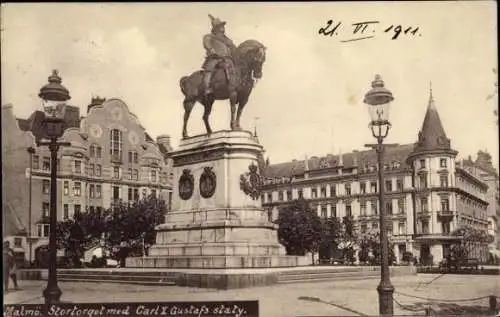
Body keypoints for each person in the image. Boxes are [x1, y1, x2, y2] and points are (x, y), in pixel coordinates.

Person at [201, 14, 237, 96]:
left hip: (228, 59)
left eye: (223, 26)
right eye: (220, 26)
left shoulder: (227, 39)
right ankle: (206, 88)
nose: (223, 28)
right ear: (216, 28)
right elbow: (206, 43)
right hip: (215, 58)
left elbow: (233, 47)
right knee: (209, 70)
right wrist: (211, 49)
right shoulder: (209, 36)